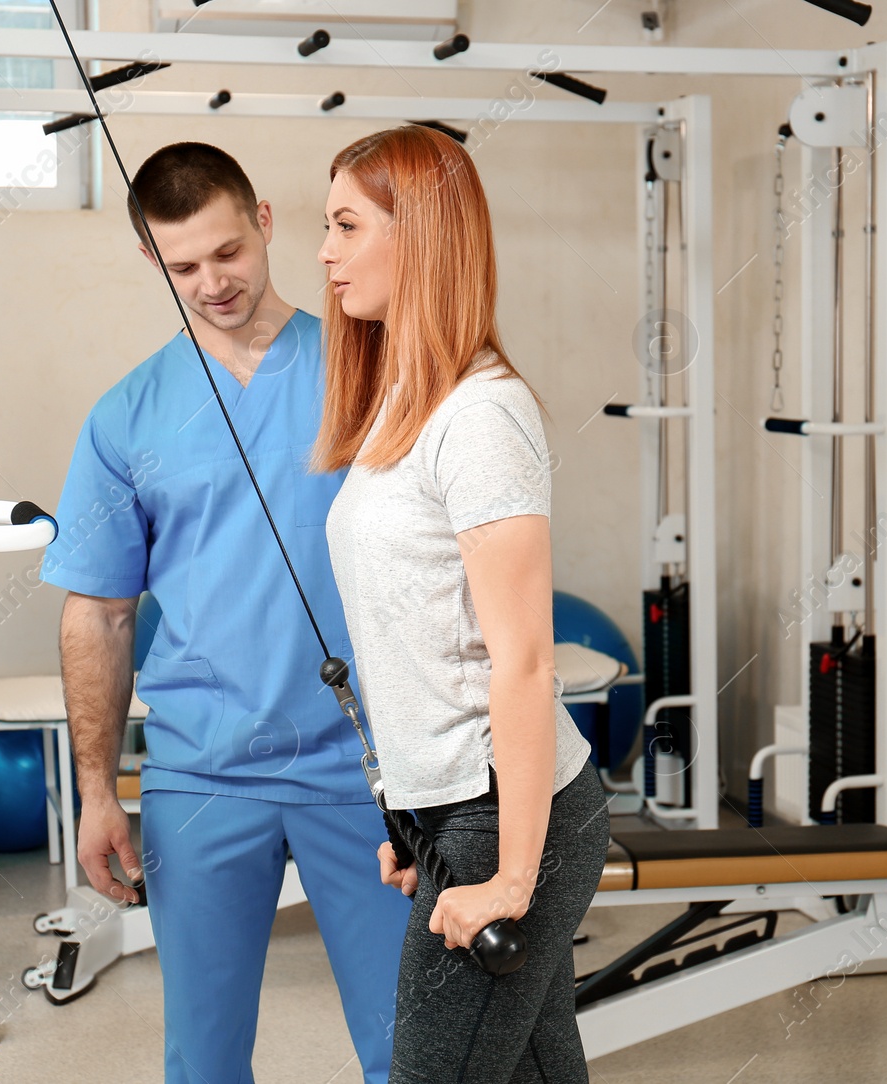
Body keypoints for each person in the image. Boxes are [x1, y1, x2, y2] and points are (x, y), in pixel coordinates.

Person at [41, 141, 410, 1084]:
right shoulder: (127, 415)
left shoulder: (370, 366)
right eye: (184, 266)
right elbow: (100, 616)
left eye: (228, 252)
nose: (214, 282)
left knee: (413, 1052)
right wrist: (95, 793)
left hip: (369, 765)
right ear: (152, 263)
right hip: (203, 773)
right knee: (203, 1061)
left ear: (266, 225)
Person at [315, 125, 611, 1083]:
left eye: (348, 225)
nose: (324, 253)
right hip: (453, 818)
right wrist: (418, 820)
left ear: (422, 237)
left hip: (511, 821)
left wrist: (511, 877)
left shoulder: (481, 417)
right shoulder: (406, 400)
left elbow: (523, 662)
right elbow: (424, 640)